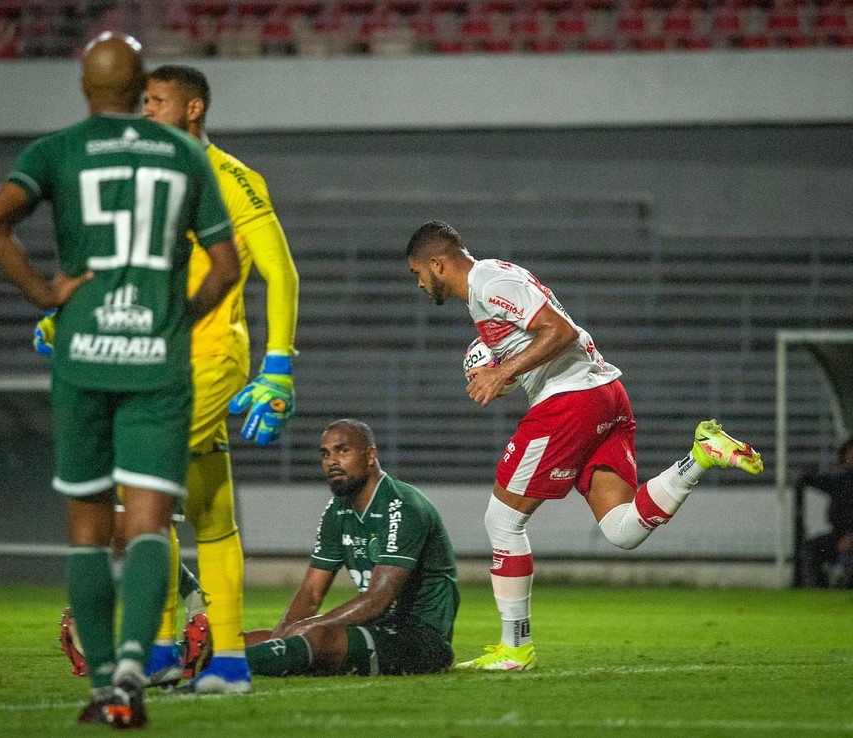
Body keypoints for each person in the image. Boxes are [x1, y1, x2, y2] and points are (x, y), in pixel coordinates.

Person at [0, 33, 240, 727]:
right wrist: (181, 318)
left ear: (85, 88)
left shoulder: (55, 151)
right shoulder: (183, 153)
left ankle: (103, 687)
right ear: (141, 84)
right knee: (151, 524)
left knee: (87, 531)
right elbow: (227, 264)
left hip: (85, 356)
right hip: (156, 359)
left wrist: (43, 292)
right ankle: (133, 664)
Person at [405, 220, 764, 671]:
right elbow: (540, 335)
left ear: (438, 263)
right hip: (604, 394)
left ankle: (515, 649)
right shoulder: (493, 281)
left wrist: (500, 372)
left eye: (418, 272)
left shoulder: (488, 282)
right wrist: (506, 371)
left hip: (570, 401)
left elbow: (561, 331)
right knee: (622, 529)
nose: (418, 283)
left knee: (502, 520)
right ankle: (700, 455)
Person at [46, 62, 300, 694]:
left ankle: (156, 647)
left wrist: (278, 366)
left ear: (192, 109)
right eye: (143, 99)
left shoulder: (232, 177)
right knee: (210, 514)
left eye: (157, 100)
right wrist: (69, 317)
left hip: (211, 357)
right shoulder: (154, 174)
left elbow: (282, 272)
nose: (146, 109)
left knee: (141, 494)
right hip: (157, 357)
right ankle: (223, 662)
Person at [242, 419, 460, 677]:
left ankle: (220, 666)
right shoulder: (337, 510)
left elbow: (379, 599)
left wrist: (307, 627)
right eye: (325, 454)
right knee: (252, 639)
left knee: (316, 637)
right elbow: (311, 593)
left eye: (342, 450)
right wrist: (280, 638)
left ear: (370, 455)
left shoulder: (403, 506)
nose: (331, 461)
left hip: (420, 640)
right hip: (374, 629)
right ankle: (197, 653)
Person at [797, 438, 853, 588]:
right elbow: (824, 482)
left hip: (849, 536)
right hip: (839, 534)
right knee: (811, 550)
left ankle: (843, 588)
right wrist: (803, 479)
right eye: (849, 452)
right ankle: (818, 590)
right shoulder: (843, 480)